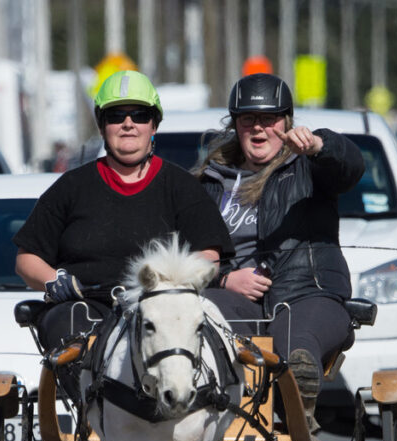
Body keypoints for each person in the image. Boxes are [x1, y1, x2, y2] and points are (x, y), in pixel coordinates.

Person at [13, 70, 234, 357]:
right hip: (85, 309)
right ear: (102, 125)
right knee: (64, 326)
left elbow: (210, 257)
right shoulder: (71, 186)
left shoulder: (183, 187)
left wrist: (172, 285)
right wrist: (54, 280)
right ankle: (90, 401)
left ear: (153, 125)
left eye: (140, 115)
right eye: (117, 115)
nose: (128, 124)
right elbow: (27, 259)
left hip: (161, 306)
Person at [195, 72, 365, 429]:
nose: (259, 129)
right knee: (204, 321)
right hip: (235, 297)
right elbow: (186, 251)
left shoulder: (307, 166)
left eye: (269, 120)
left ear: (286, 122)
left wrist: (321, 147)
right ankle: (211, 415)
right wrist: (225, 279)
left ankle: (297, 408)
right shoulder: (209, 181)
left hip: (307, 292)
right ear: (235, 126)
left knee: (295, 347)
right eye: (248, 120)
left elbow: (350, 166)